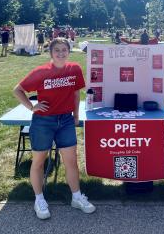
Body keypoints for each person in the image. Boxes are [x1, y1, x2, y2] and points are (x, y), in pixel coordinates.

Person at [13, 38, 96, 220]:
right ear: (51, 52)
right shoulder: (41, 72)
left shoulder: (74, 69)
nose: (60, 53)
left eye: (64, 49)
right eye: (57, 50)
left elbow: (76, 93)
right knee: (39, 162)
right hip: (43, 122)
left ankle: (76, 197)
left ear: (69, 51)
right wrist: (31, 106)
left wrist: (75, 115)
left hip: (65, 121)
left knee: (71, 161)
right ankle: (39, 199)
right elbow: (17, 90)